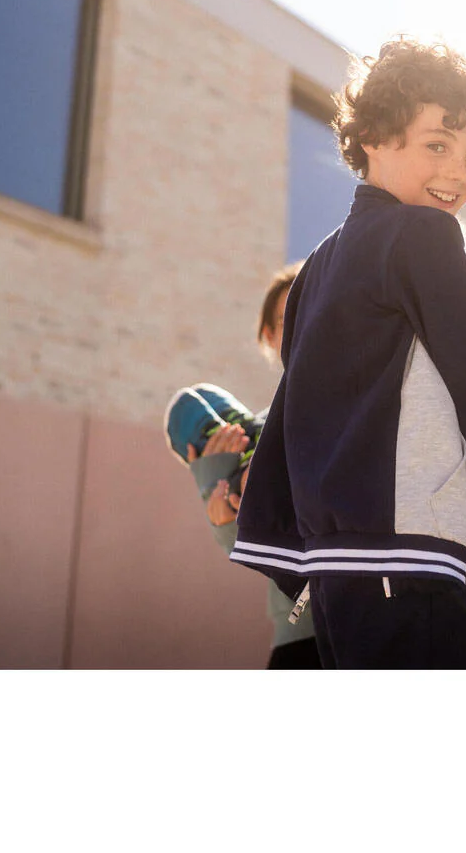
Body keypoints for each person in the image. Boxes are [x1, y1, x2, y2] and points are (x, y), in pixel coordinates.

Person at [231, 39, 466, 669]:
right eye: (438, 145)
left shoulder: (317, 266)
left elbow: (295, 417)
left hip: (337, 571)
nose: (459, 173)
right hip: (416, 564)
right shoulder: (425, 234)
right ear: (374, 138)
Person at [162, 263, 322, 669]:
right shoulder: (258, 429)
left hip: (373, 612)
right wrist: (217, 490)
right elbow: (245, 544)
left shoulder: (363, 399)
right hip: (301, 629)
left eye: (311, 308)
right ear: (268, 336)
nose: (301, 324)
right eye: (287, 318)